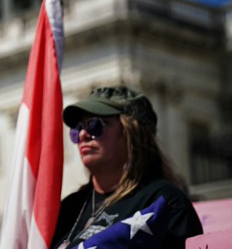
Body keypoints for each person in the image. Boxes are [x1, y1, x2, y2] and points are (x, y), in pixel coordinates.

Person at [50, 86, 203, 248]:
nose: (83, 135)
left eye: (95, 125)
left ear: (131, 133)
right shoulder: (68, 209)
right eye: (78, 129)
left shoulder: (164, 202)